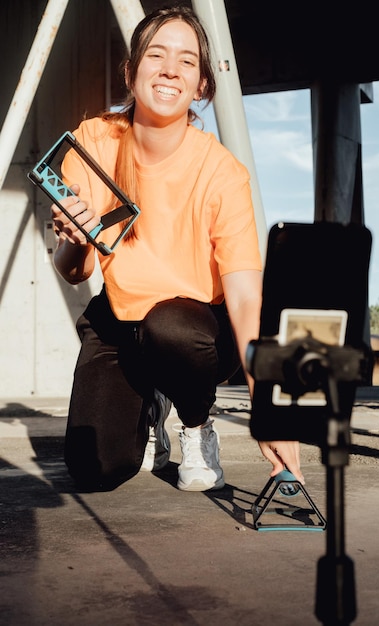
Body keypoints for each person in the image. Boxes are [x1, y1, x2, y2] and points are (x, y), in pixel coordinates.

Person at [51, 5, 304, 492]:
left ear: (202, 85)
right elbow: (74, 272)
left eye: (187, 61)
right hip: (122, 317)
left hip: (197, 328)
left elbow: (247, 297)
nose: (171, 69)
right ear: (131, 71)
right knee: (94, 469)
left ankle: (195, 419)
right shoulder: (94, 141)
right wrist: (75, 241)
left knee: (169, 327)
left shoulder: (222, 172)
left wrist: (267, 409)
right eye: (156, 55)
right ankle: (151, 404)